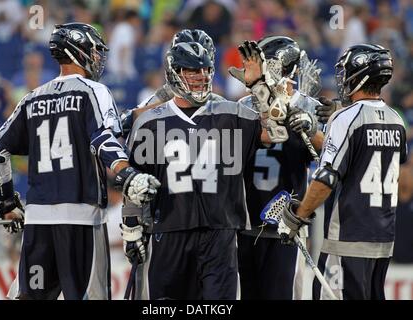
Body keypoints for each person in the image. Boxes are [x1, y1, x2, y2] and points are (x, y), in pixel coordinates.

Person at [0, 23, 160, 300]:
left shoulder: (32, 98)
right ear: (78, 51)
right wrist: (127, 174)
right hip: (82, 220)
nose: (98, 57)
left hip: (39, 222)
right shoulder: (94, 90)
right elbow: (103, 138)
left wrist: (7, 204)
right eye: (94, 50)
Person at [123, 38, 278, 299]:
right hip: (170, 230)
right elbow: (134, 182)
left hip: (221, 231)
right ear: (174, 72)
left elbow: (276, 132)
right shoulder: (150, 122)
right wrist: (132, 228)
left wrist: (259, 86)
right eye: (192, 70)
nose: (201, 76)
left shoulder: (232, 113)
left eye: (205, 70)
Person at [278, 44, 407, 300]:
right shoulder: (397, 119)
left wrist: (298, 216)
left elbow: (326, 176)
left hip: (347, 237)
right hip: (382, 240)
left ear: (359, 75)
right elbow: (365, 155)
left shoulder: (346, 118)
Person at [236, 36, 324, 300]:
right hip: (247, 219)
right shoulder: (243, 105)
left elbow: (329, 154)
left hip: (288, 224)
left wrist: (310, 126)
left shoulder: (310, 106)